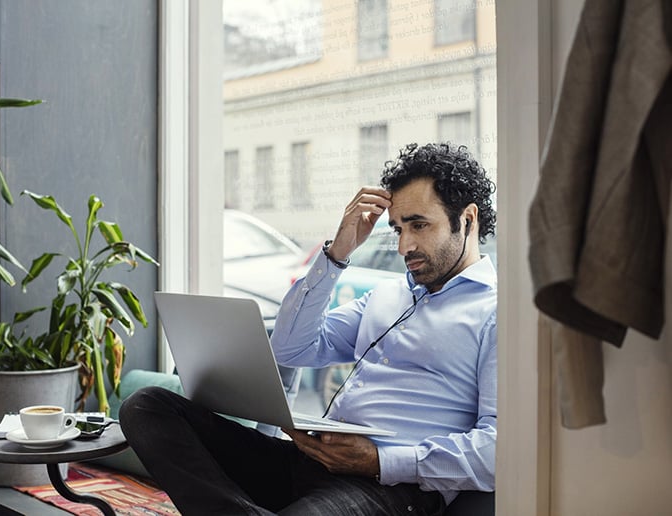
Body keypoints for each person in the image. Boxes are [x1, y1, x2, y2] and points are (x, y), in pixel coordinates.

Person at [119, 142, 497, 515]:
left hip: (392, 488)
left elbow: (497, 449)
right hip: (310, 461)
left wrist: (381, 460)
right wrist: (336, 255)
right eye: (398, 228)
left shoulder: (497, 315)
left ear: (467, 218)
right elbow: (292, 349)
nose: (404, 246)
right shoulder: (388, 296)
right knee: (147, 407)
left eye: (419, 225)